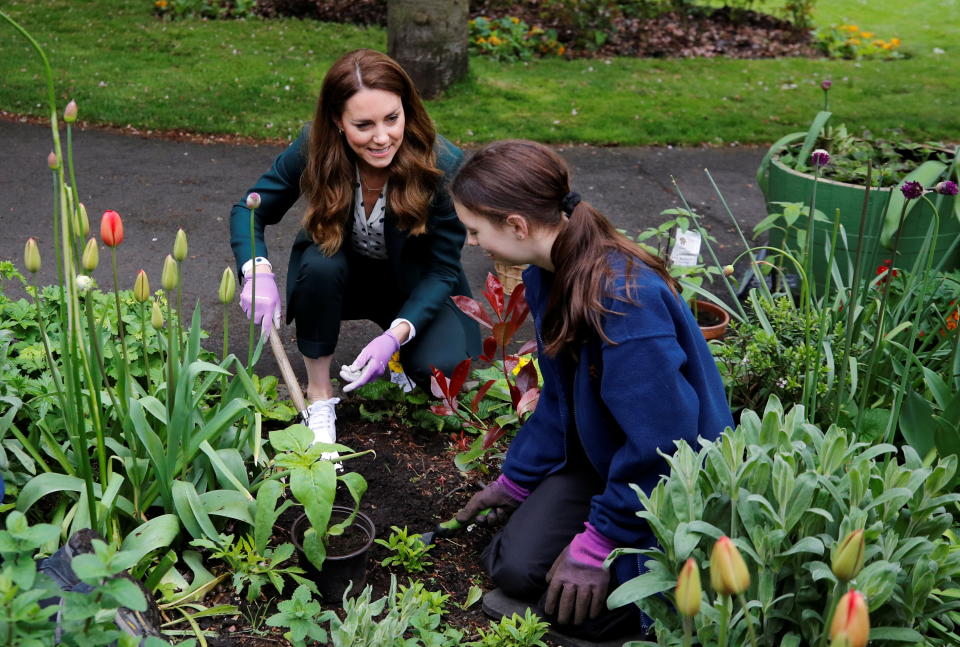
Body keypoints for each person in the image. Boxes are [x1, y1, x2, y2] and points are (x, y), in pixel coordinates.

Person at [449, 140, 733, 639]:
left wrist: (601, 542)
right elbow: (558, 401)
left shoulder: (626, 301)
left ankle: (640, 592)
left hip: (674, 483)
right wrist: (517, 480)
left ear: (517, 224)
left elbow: (666, 444)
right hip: (605, 462)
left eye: (475, 230)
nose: (472, 243)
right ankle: (599, 556)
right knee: (516, 570)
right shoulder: (547, 277)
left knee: (584, 610)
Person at [230, 49, 479, 447]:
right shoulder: (315, 146)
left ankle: (397, 352)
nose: (382, 137)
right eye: (364, 125)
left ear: (406, 109)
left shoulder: (441, 164)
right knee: (320, 266)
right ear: (337, 122)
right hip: (335, 278)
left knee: (444, 371)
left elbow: (442, 271)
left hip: (413, 285)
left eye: (392, 118)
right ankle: (320, 395)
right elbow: (250, 209)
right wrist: (256, 270)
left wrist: (394, 337)